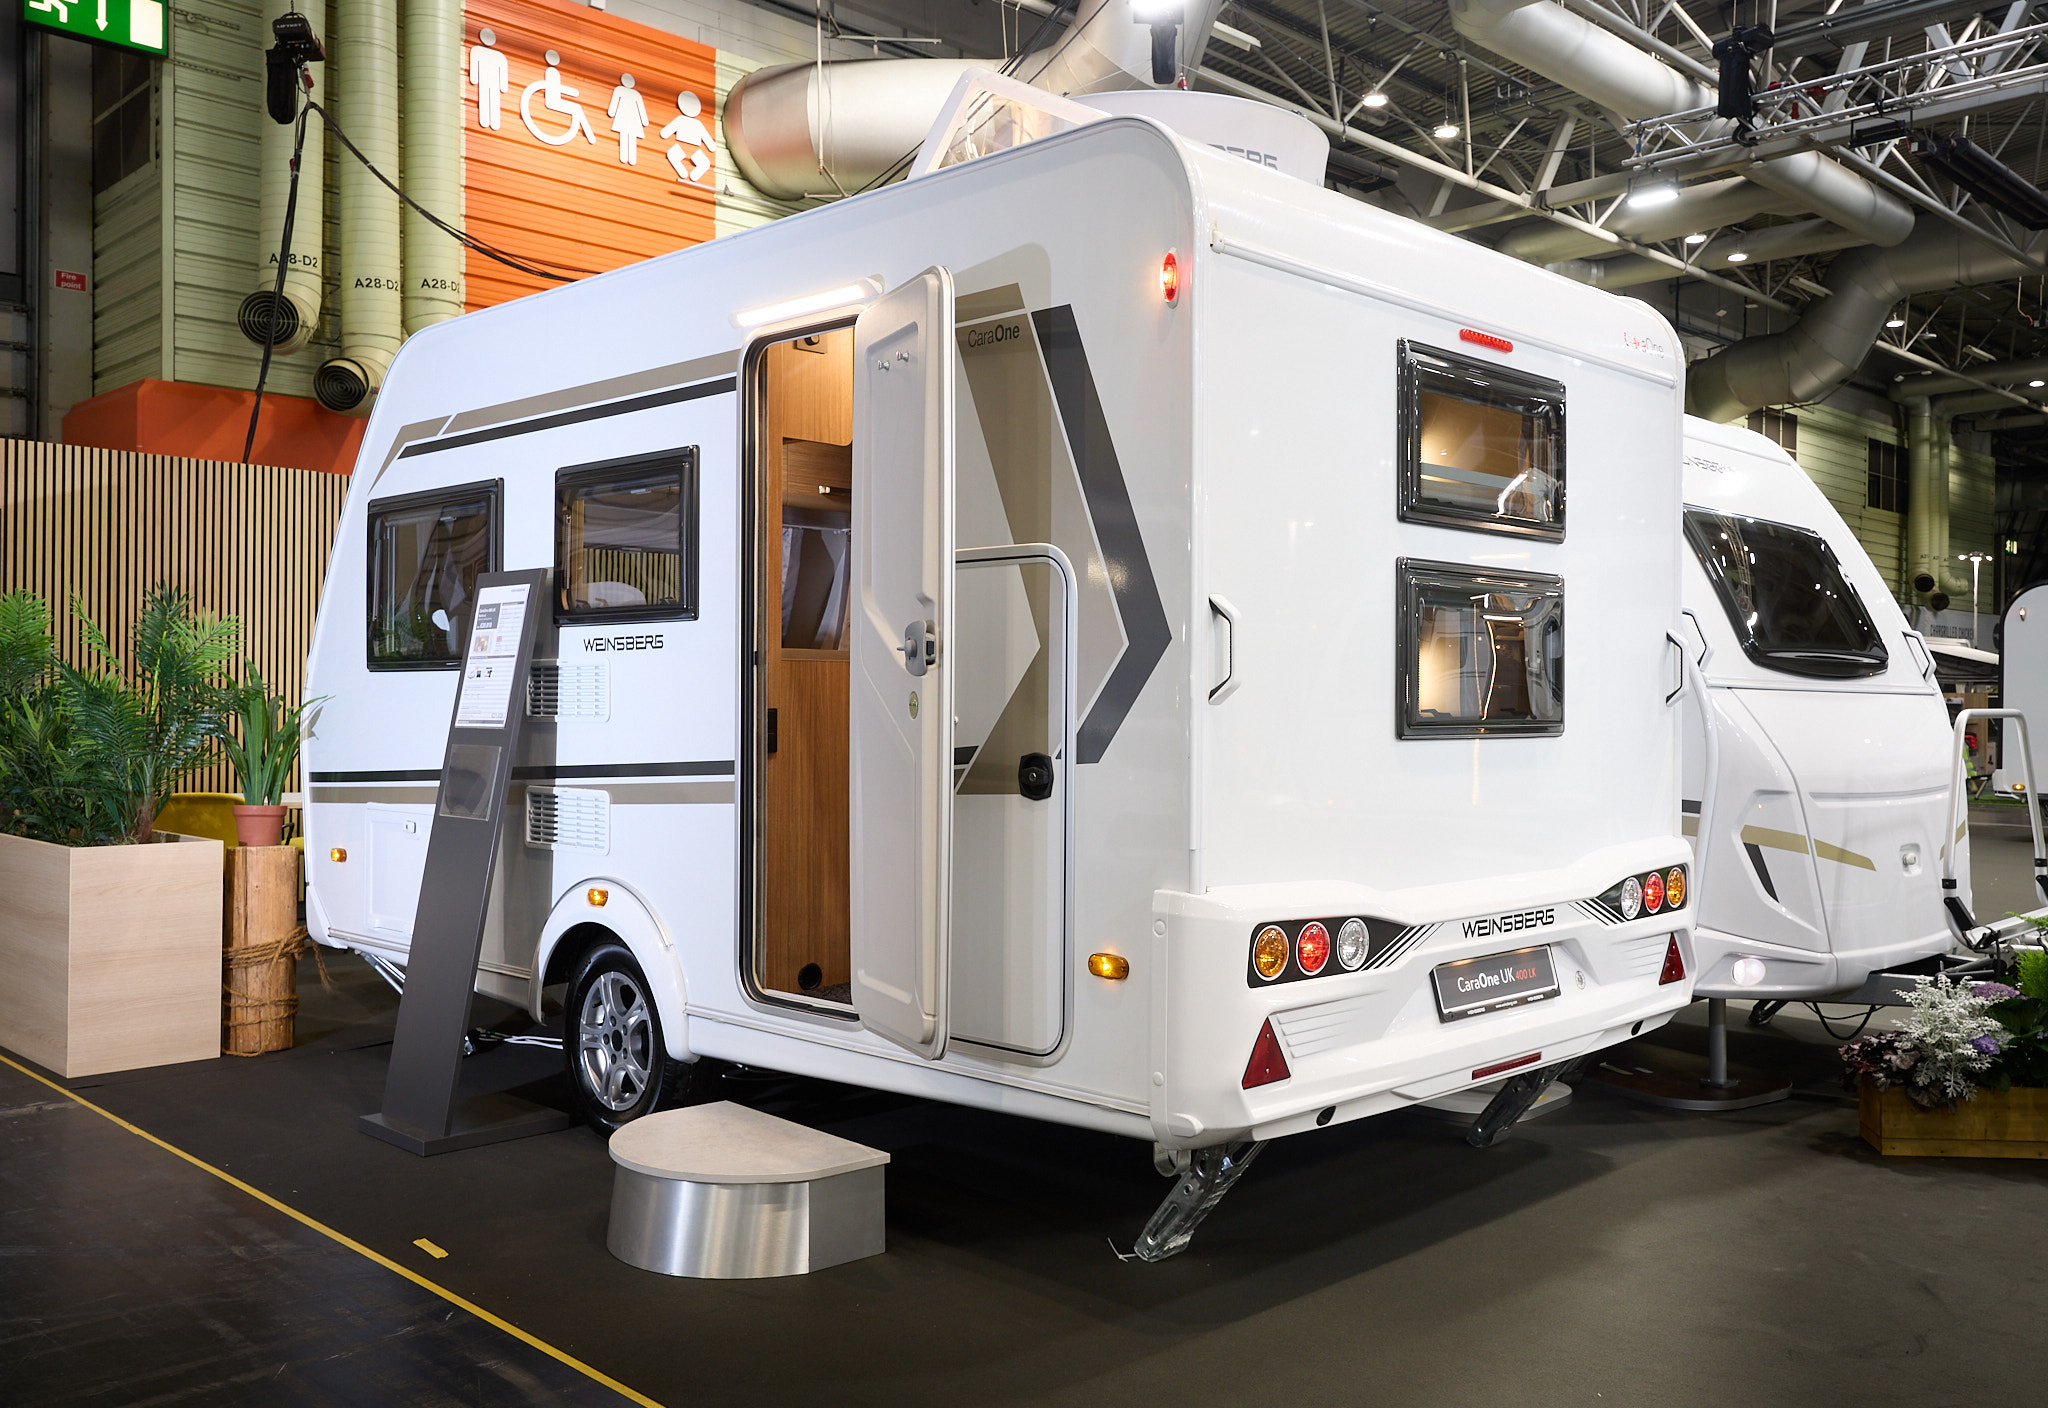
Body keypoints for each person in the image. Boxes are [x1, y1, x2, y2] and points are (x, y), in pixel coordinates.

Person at [662, 91, 714, 185]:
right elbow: (711, 145)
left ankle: (685, 174)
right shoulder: (697, 124)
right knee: (704, 163)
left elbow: (665, 133)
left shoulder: (681, 120)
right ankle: (689, 175)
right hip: (694, 150)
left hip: (682, 148)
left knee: (673, 155)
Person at [467, 29, 510, 132]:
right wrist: (503, 87)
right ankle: (487, 121)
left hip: (489, 81)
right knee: (488, 99)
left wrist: (474, 79)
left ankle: (489, 122)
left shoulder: (478, 51)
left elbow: (503, 72)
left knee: (490, 99)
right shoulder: (497, 55)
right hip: (487, 80)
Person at [607, 74, 650, 166]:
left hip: (624, 117)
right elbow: (641, 109)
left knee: (626, 136)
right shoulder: (633, 93)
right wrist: (644, 121)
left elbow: (614, 104)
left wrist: (612, 112)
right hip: (632, 119)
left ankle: (627, 158)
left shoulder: (621, 90)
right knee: (630, 137)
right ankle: (629, 159)